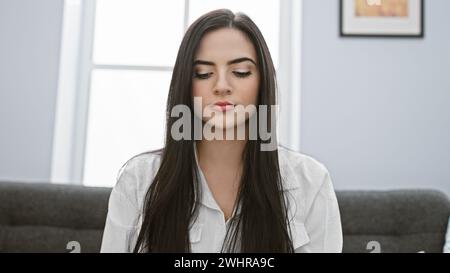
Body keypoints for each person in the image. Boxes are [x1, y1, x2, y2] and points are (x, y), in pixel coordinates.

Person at [100, 9, 342, 253]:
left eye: (241, 72)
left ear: (262, 82)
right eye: (204, 74)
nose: (222, 86)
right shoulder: (138, 180)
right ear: (187, 84)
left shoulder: (310, 182)